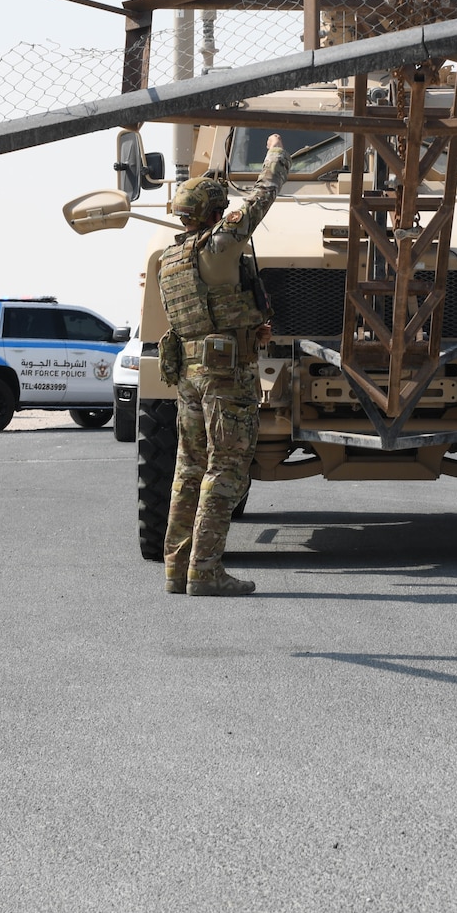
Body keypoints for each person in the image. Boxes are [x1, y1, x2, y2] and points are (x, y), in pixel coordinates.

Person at [159, 135, 288, 597]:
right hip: (225, 378)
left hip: (190, 377)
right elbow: (264, 193)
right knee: (226, 468)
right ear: (216, 213)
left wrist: (248, 325)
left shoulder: (170, 259)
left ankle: (176, 569)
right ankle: (206, 570)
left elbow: (207, 313)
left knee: (188, 468)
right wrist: (274, 151)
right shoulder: (220, 244)